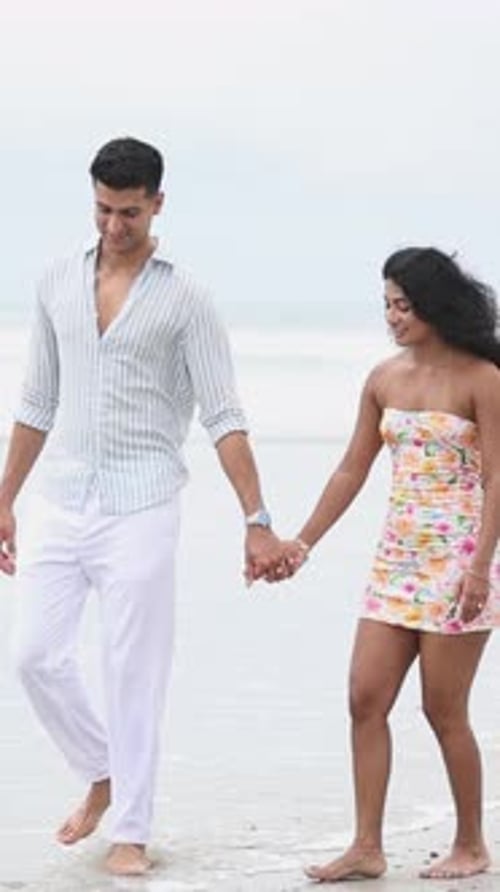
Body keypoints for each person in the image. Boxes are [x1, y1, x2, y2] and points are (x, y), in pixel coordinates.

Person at [0, 136, 288, 877]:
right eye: (102, 209)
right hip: (61, 498)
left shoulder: (187, 298)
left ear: (157, 204)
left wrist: (256, 521)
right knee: (34, 657)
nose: (113, 226)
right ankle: (101, 773)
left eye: (128, 212)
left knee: (133, 668)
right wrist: (5, 499)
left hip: (143, 503)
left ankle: (130, 828)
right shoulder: (57, 280)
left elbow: (224, 415)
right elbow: (37, 401)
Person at [273, 247, 500, 882]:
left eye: (403, 306)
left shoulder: (483, 378)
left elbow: (497, 474)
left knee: (442, 708)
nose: (393, 317)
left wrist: (481, 567)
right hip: (397, 560)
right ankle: (367, 847)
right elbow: (352, 467)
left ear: (435, 307)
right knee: (364, 697)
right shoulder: (382, 379)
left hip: (461, 563)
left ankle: (472, 844)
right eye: (387, 306)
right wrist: (303, 541)